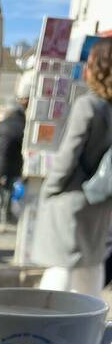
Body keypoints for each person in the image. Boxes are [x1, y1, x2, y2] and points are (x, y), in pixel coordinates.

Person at [32, 38, 112, 296]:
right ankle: (89, 330)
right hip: (101, 200)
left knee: (60, 274)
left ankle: (44, 330)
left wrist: (50, 188)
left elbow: (69, 155)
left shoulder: (88, 105)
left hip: (73, 199)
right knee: (90, 271)